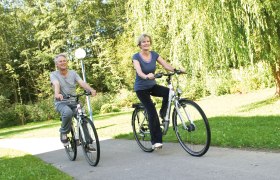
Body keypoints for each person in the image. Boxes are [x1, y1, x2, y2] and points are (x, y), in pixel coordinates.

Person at [132, 33, 177, 149]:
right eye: (143, 42)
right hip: (141, 89)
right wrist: (146, 76)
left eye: (148, 41)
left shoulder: (154, 54)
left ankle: (163, 113)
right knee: (151, 111)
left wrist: (176, 70)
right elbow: (139, 72)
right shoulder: (136, 57)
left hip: (152, 86)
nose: (146, 43)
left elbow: (166, 65)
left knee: (169, 92)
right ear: (140, 45)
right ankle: (156, 141)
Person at [50, 53, 96, 146]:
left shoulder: (73, 73)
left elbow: (81, 82)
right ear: (57, 64)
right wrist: (57, 94)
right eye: (60, 61)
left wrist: (90, 89)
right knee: (67, 113)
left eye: (64, 61)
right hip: (61, 102)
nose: (63, 62)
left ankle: (88, 142)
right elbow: (56, 84)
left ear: (66, 62)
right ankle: (63, 132)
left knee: (82, 116)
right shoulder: (53, 74)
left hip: (74, 101)